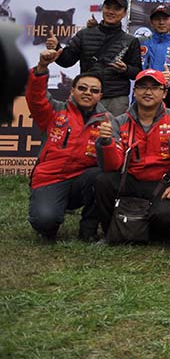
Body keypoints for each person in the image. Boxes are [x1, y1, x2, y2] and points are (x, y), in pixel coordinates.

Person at [93, 70, 170, 241]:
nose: (148, 92)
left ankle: (136, 229)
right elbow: (112, 165)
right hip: (131, 180)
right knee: (103, 180)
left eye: (154, 87)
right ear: (134, 91)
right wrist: (106, 142)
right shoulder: (119, 121)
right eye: (142, 87)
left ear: (164, 93)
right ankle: (110, 231)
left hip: (164, 183)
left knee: (165, 218)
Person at [26, 49, 110, 241]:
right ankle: (50, 211)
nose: (87, 93)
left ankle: (88, 230)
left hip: (82, 181)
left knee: (102, 177)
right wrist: (42, 67)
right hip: (50, 179)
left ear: (100, 96)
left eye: (94, 91)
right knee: (45, 223)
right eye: (82, 88)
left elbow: (114, 160)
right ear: (72, 90)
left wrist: (108, 143)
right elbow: (36, 98)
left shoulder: (107, 121)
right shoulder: (55, 111)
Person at [46, 0, 141, 116]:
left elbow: (137, 73)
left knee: (113, 129)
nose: (111, 12)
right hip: (87, 95)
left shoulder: (131, 41)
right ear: (103, 9)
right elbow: (67, 61)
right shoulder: (84, 34)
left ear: (124, 13)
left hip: (115, 99)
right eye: (108, 7)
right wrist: (56, 47)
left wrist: (126, 69)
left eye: (117, 9)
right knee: (80, 128)